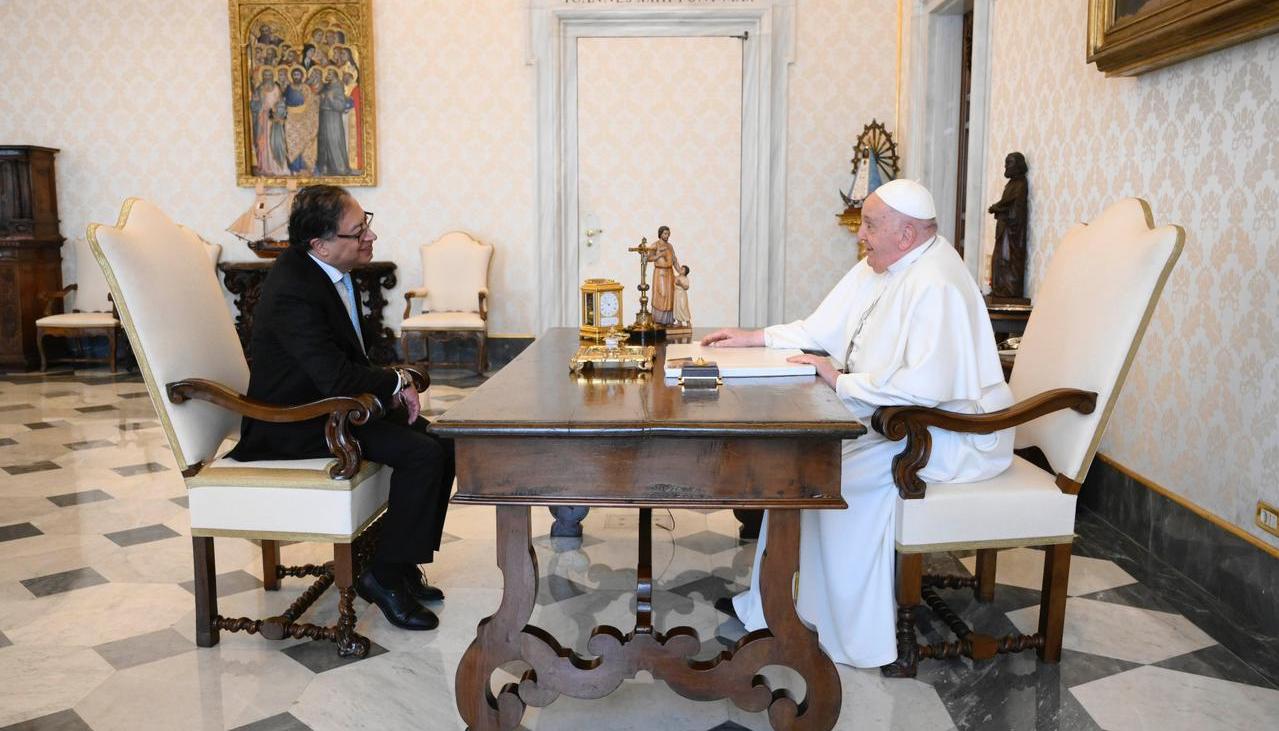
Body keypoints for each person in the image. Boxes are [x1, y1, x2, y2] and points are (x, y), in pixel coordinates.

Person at [701, 179, 1014, 668]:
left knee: (826, 480)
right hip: (898, 422)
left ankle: (841, 634)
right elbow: (816, 328)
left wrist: (841, 381)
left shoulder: (937, 283)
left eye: (870, 224)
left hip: (950, 434)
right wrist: (753, 337)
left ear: (906, 235)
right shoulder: (879, 265)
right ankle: (771, 610)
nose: (860, 235)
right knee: (798, 468)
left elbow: (927, 389)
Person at [228, 185, 454, 632]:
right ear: (321, 244)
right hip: (296, 422)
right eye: (359, 230)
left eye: (366, 222)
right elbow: (335, 377)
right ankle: (382, 576)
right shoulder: (295, 288)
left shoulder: (327, 269)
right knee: (422, 454)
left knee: (443, 442)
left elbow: (349, 364)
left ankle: (401, 563)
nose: (371, 236)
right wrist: (397, 381)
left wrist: (392, 385)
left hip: (332, 408)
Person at [646, 225, 680, 326]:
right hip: (660, 273)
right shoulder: (655, 245)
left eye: (668, 234)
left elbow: (674, 260)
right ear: (660, 234)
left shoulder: (670, 246)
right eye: (665, 233)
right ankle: (658, 320)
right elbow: (648, 258)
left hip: (669, 273)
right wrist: (659, 255)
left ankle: (668, 321)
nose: (667, 235)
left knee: (670, 295)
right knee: (662, 294)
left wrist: (680, 272)